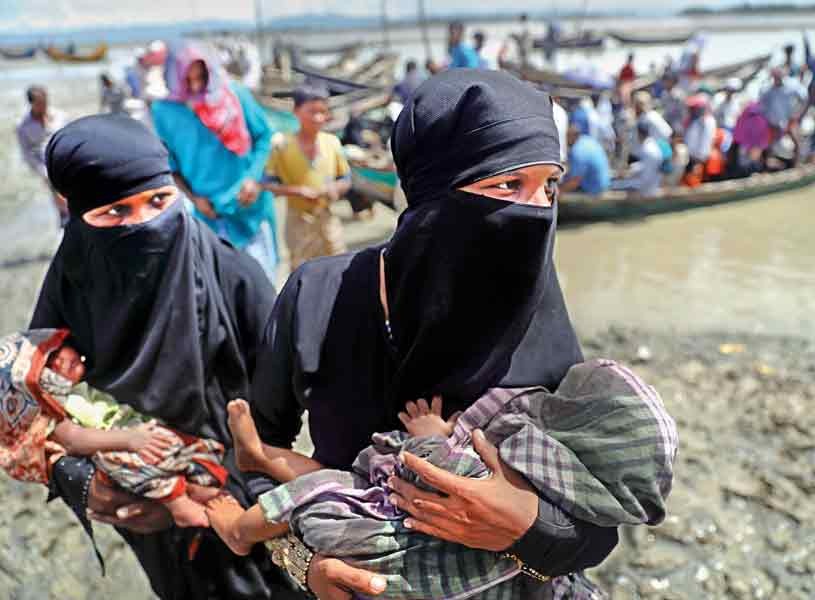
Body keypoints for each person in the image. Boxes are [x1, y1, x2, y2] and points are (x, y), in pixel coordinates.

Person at [247, 69, 622, 600]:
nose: (537, 210)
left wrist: (528, 526)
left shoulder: (539, 314)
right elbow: (255, 452)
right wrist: (304, 562)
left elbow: (600, 518)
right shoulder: (318, 297)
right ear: (436, 193)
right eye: (509, 184)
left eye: (550, 185)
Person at [32, 114, 288, 599]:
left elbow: (282, 411)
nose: (143, 223)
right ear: (77, 215)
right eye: (115, 212)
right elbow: (31, 406)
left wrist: (222, 497)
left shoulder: (234, 278)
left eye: (157, 200)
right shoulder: (73, 287)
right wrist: (83, 482)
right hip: (139, 513)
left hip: (244, 508)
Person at [208, 358, 676, 598]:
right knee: (333, 479)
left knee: (322, 490)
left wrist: (435, 436)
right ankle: (263, 457)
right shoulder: (579, 490)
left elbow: (433, 476)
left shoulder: (520, 469)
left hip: (399, 549)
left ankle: (240, 528)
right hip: (400, 544)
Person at [0, 329, 227, 528]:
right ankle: (179, 504)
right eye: (46, 369)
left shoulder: (86, 385)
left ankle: (198, 485)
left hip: (141, 432)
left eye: (54, 352)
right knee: (114, 458)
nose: (58, 361)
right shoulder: (56, 416)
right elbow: (74, 440)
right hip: (123, 449)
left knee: (177, 443)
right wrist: (128, 440)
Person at [151, 41, 279, 282]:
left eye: (201, 77)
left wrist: (252, 178)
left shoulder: (235, 95)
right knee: (222, 290)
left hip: (249, 206)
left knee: (264, 286)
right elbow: (171, 167)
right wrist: (194, 198)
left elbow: (263, 137)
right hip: (209, 214)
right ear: (174, 78)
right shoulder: (164, 112)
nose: (196, 85)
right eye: (187, 80)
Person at [264, 83, 352, 269]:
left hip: (327, 218)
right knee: (302, 272)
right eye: (312, 111)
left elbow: (345, 179)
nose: (319, 118)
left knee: (338, 268)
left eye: (323, 112)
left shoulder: (332, 143)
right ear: (296, 111)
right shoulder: (282, 145)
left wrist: (334, 188)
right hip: (298, 220)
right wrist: (298, 191)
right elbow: (268, 184)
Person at [16, 85, 68, 227]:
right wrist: (43, 172)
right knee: (60, 202)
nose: (44, 106)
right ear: (31, 104)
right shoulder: (23, 126)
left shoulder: (59, 116)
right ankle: (64, 226)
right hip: (47, 168)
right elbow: (27, 154)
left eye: (45, 101)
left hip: (68, 162)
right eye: (39, 103)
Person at [759, 67, 807, 162]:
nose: (777, 78)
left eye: (778, 76)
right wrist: (768, 120)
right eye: (775, 76)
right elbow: (762, 106)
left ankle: (798, 162)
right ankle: (766, 166)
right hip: (774, 122)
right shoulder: (767, 90)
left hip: (790, 119)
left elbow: (804, 98)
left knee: (796, 139)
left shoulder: (791, 85)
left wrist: (798, 114)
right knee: (769, 143)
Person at [614, 120, 666, 196]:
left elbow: (645, 179)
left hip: (646, 190)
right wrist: (630, 170)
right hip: (650, 185)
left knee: (613, 185)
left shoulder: (648, 150)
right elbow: (646, 167)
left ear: (639, 133)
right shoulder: (650, 145)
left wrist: (627, 177)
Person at [682, 94, 718, 185]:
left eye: (693, 108)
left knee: (694, 181)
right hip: (690, 156)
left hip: (697, 159)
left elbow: (705, 143)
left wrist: (697, 161)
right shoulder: (695, 121)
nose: (690, 111)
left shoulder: (706, 122)